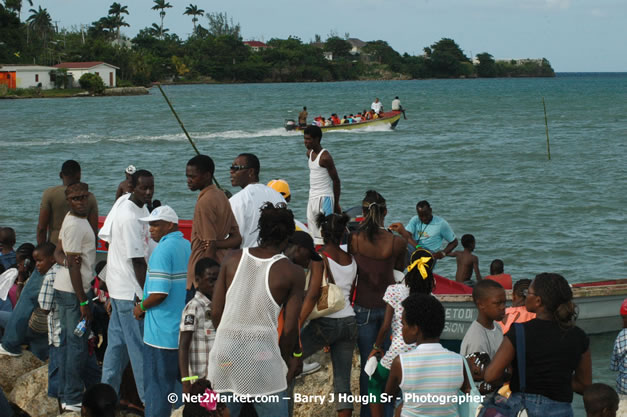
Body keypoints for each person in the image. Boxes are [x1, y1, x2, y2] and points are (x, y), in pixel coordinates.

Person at [207, 203, 305, 417]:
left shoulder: (232, 259)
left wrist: (229, 337)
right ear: (288, 236)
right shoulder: (293, 272)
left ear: (260, 231)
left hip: (226, 352)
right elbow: (289, 331)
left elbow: (216, 312)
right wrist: (286, 358)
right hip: (264, 356)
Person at [485, 273, 592, 416]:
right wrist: (559, 379)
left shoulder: (518, 331)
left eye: (527, 293)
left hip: (523, 409)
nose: (525, 296)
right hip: (561, 410)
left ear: (538, 301)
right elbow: (584, 385)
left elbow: (491, 375)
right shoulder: (579, 336)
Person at [100, 170, 155, 407]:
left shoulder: (130, 203)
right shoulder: (130, 216)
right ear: (132, 187)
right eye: (144, 188)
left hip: (117, 288)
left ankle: (104, 399)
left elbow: (108, 234)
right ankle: (149, 401)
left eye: (152, 187)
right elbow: (137, 261)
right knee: (139, 350)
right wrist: (146, 296)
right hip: (129, 292)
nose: (149, 192)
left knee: (117, 348)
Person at [349, 190, 407, 417]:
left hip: (362, 307)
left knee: (368, 366)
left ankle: (367, 413)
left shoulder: (354, 239)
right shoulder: (396, 243)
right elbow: (399, 273)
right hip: (389, 312)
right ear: (385, 212)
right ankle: (390, 410)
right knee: (393, 364)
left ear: (363, 213)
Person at [295, 213, 358, 417]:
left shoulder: (319, 258)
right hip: (349, 322)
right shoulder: (351, 259)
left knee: (287, 362)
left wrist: (297, 324)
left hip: (326, 323)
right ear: (342, 234)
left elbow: (313, 295)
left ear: (322, 232)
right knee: (343, 384)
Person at [133, 205, 191, 417]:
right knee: (181, 386)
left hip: (160, 335)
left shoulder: (161, 251)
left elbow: (159, 293)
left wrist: (140, 308)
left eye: (156, 224)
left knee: (157, 390)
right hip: (182, 332)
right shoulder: (186, 245)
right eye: (150, 224)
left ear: (170, 225)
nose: (151, 229)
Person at [368, 248, 435, 417]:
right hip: (422, 355)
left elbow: (385, 327)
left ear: (410, 265)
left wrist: (376, 346)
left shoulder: (394, 290)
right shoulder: (431, 298)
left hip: (398, 351)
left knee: (374, 384)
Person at [384, 293, 471, 416]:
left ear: (415, 328)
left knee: (400, 405)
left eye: (403, 324)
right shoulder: (458, 361)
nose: (402, 328)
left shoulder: (401, 363)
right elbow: (466, 393)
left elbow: (388, 395)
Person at [52, 182, 96, 412]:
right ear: (68, 201)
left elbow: (58, 252)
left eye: (84, 197)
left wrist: (66, 260)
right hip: (73, 293)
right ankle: (72, 397)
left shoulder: (72, 220)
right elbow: (74, 269)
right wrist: (83, 301)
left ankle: (66, 393)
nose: (81, 201)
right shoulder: (76, 225)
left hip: (68, 290)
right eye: (76, 198)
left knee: (70, 343)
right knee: (76, 346)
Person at [186, 155, 241, 300]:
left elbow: (209, 246)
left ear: (207, 175)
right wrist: (218, 243)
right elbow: (237, 238)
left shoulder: (204, 202)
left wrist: (203, 283)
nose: (189, 180)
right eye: (187, 176)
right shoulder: (221, 196)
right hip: (221, 269)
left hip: (203, 276)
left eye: (193, 176)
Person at [0, 243, 48, 359]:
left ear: (27, 261)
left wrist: (21, 278)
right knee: (39, 357)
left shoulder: (34, 280)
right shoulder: (45, 274)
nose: (18, 265)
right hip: (43, 328)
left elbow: (20, 305)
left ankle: (8, 344)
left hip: (32, 326)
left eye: (19, 262)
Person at [179, 258, 219, 393]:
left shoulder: (219, 307)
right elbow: (183, 345)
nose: (216, 284)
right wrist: (186, 381)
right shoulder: (194, 307)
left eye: (219, 280)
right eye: (211, 280)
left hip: (215, 378)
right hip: (198, 380)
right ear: (198, 280)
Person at [229, 153, 286, 248]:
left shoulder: (237, 200)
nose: (231, 171)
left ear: (251, 172)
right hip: (277, 256)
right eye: (231, 167)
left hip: (248, 258)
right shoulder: (279, 196)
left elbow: (233, 239)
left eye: (236, 168)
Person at [37, 160, 98, 245]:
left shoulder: (50, 194)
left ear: (61, 175)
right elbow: (94, 230)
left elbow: (41, 228)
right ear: (79, 175)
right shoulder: (89, 197)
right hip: (79, 248)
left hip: (54, 248)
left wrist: (41, 250)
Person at [304, 125, 341, 245]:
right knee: (313, 235)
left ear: (317, 139)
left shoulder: (325, 157)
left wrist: (336, 203)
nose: (305, 142)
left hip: (324, 198)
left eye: (308, 139)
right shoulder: (309, 153)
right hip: (312, 197)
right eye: (304, 138)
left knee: (325, 234)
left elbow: (336, 181)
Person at [389, 200, 458, 262]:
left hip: (430, 254)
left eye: (426, 215)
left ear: (430, 210)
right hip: (414, 249)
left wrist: (443, 253)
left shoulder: (441, 223)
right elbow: (407, 236)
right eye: (421, 216)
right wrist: (418, 247)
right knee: (397, 244)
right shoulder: (415, 219)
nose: (424, 218)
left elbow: (454, 242)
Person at [460, 279, 505, 359]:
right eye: (497, 303)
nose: (503, 307)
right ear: (481, 304)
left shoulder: (497, 327)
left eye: (504, 302)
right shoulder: (476, 340)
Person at [610, 299, 627, 411]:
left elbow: (614, 366)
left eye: (624, 318)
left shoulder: (622, 336)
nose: (622, 322)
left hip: (624, 390)